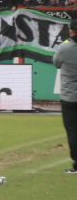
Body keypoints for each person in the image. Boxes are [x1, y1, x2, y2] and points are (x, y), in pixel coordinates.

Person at [54, 18, 77, 174]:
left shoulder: (65, 47)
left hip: (70, 97)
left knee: (73, 131)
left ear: (71, 30)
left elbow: (56, 63)